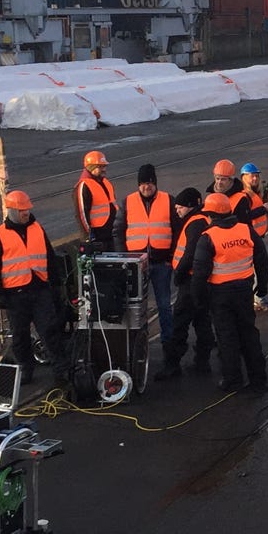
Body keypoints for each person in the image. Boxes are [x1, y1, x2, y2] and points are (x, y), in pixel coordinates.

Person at [0, 189, 70, 387]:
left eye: (27, 209)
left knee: (50, 332)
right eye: (21, 210)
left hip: (40, 290)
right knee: (20, 336)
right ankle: (25, 369)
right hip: (15, 295)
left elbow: (49, 257)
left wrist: (56, 285)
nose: (26, 213)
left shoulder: (37, 229)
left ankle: (61, 372)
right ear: (11, 211)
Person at [191, 192, 268, 392]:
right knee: (249, 334)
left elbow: (199, 274)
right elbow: (262, 260)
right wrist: (262, 286)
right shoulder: (246, 230)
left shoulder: (208, 238)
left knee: (227, 338)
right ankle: (258, 379)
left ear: (211, 215)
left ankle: (233, 380)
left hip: (220, 295)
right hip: (244, 291)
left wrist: (198, 300)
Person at [118, 163, 175, 352]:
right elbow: (118, 231)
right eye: (143, 183)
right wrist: (124, 258)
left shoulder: (168, 200)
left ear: (155, 183)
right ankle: (137, 343)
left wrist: (171, 257)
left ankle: (168, 343)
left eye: (150, 182)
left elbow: (178, 230)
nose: (146, 187)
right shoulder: (128, 202)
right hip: (136, 265)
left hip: (161, 263)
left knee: (164, 305)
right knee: (135, 307)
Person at [158, 187, 213, 380]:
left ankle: (172, 365)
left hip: (190, 282)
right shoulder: (201, 220)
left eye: (180, 207)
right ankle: (202, 361)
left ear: (190, 206)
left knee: (179, 323)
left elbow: (190, 254)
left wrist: (179, 274)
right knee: (202, 320)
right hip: (202, 281)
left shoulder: (194, 223)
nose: (177, 211)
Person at [75, 149, 117, 250]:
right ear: (91, 167)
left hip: (110, 233)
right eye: (100, 167)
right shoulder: (84, 186)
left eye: (104, 166)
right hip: (97, 237)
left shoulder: (106, 182)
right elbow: (81, 215)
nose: (104, 169)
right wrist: (88, 237)